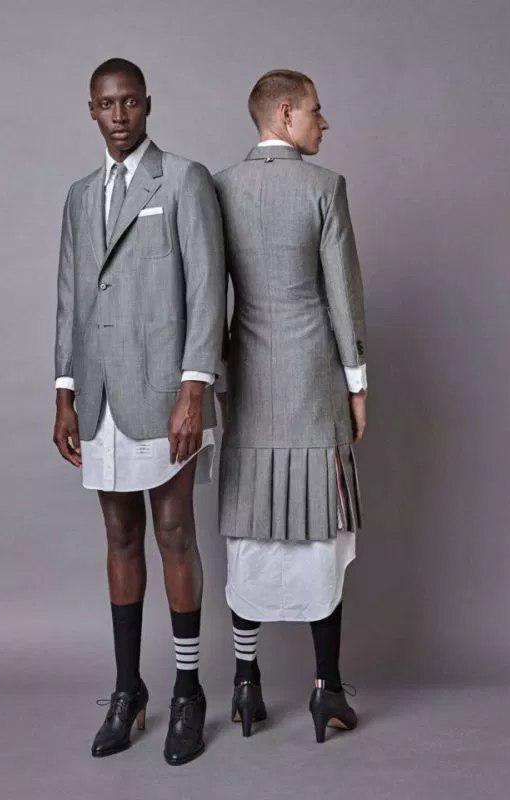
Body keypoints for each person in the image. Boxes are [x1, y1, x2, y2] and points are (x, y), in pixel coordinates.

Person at [52, 58, 224, 765]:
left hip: (165, 392)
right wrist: (64, 389)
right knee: (120, 534)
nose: (118, 115)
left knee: (175, 532)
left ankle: (188, 691)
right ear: (90, 110)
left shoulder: (183, 180)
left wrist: (194, 389)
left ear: (147, 104)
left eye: (129, 102)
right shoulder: (78, 195)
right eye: (106, 104)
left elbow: (208, 287)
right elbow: (71, 297)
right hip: (98, 394)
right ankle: (129, 690)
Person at [213, 69, 368, 743]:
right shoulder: (325, 187)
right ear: (284, 113)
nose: (323, 122)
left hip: (245, 385)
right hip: (314, 385)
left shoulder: (220, 188)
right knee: (321, 533)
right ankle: (325, 690)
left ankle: (245, 686)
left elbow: (206, 298)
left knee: (248, 529)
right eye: (315, 111)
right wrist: (358, 384)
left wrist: (211, 377)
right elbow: (344, 297)